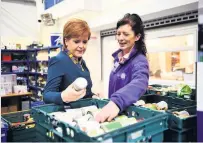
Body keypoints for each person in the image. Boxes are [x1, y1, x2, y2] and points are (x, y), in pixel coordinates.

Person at [95, 13, 149, 122]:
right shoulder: (118, 58)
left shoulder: (139, 60)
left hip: (128, 116)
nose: (120, 38)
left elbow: (140, 82)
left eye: (125, 34)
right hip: (115, 113)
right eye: (118, 34)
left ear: (137, 37)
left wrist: (116, 102)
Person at [43, 18, 94, 104]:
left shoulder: (81, 62)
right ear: (66, 41)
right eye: (77, 41)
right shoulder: (58, 61)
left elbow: (84, 91)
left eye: (84, 42)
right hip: (66, 113)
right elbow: (47, 95)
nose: (81, 46)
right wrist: (63, 96)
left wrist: (93, 95)